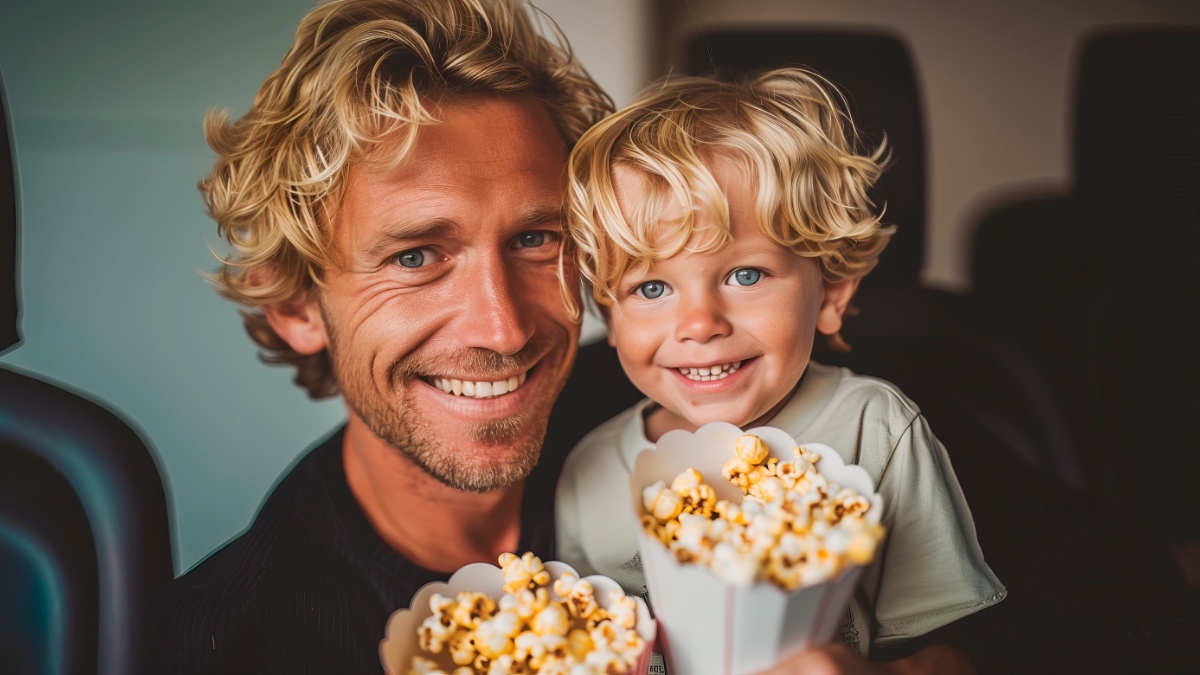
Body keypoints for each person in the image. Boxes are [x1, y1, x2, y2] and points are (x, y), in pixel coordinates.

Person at [145, 0, 614, 671]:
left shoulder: (689, 416)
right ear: (296, 305)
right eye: (417, 256)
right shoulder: (230, 642)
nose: (503, 328)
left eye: (536, 239)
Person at [555, 70, 1006, 673]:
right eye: (652, 286)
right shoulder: (588, 473)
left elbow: (955, 652)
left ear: (830, 295)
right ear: (608, 315)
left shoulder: (875, 429)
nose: (699, 323)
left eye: (745, 275)